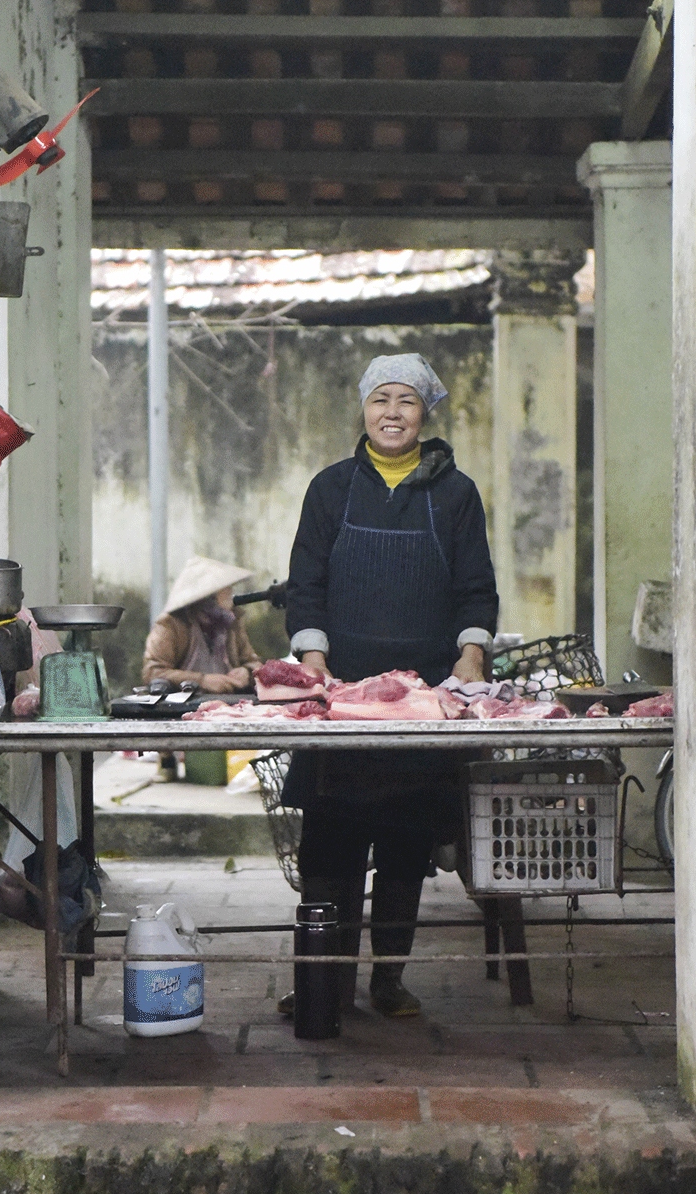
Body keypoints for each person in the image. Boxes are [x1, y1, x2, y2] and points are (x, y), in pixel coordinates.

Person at [281, 353, 498, 1018]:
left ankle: (387, 981)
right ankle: (324, 982)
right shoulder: (331, 488)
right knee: (330, 846)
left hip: (422, 705)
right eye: (381, 400)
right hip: (342, 701)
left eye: (405, 400)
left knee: (405, 846)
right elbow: (306, 582)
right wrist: (312, 659)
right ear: (364, 409)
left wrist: (469, 656)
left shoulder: (455, 493)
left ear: (424, 411)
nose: (392, 413)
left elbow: (475, 588)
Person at [141, 555, 261, 693]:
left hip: (227, 706)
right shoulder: (171, 624)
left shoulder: (231, 622)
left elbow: (254, 663)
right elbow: (152, 672)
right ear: (208, 596)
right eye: (225, 589)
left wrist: (246, 672)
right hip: (181, 706)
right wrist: (202, 680)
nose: (230, 593)